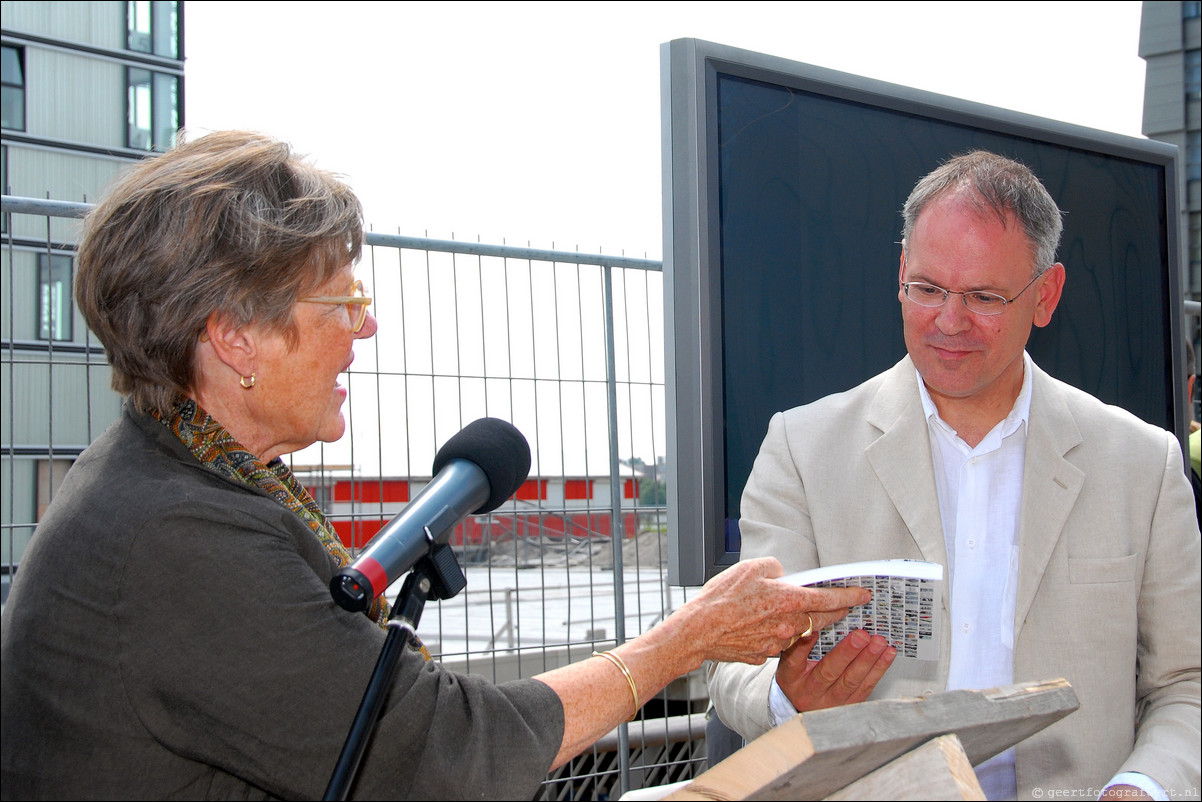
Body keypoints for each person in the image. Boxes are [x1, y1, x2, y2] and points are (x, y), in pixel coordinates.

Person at [0, 130, 881, 801]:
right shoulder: (173, 536)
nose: (365, 328)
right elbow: (435, 745)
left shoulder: (175, 480)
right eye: (342, 300)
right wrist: (683, 641)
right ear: (235, 338)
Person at [707, 151, 1201, 800]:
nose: (949, 321)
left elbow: (1186, 684)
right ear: (900, 273)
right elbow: (735, 662)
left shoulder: (1142, 463)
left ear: (1046, 296)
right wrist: (786, 695)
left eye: (984, 297)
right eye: (928, 288)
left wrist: (1141, 788)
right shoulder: (802, 449)